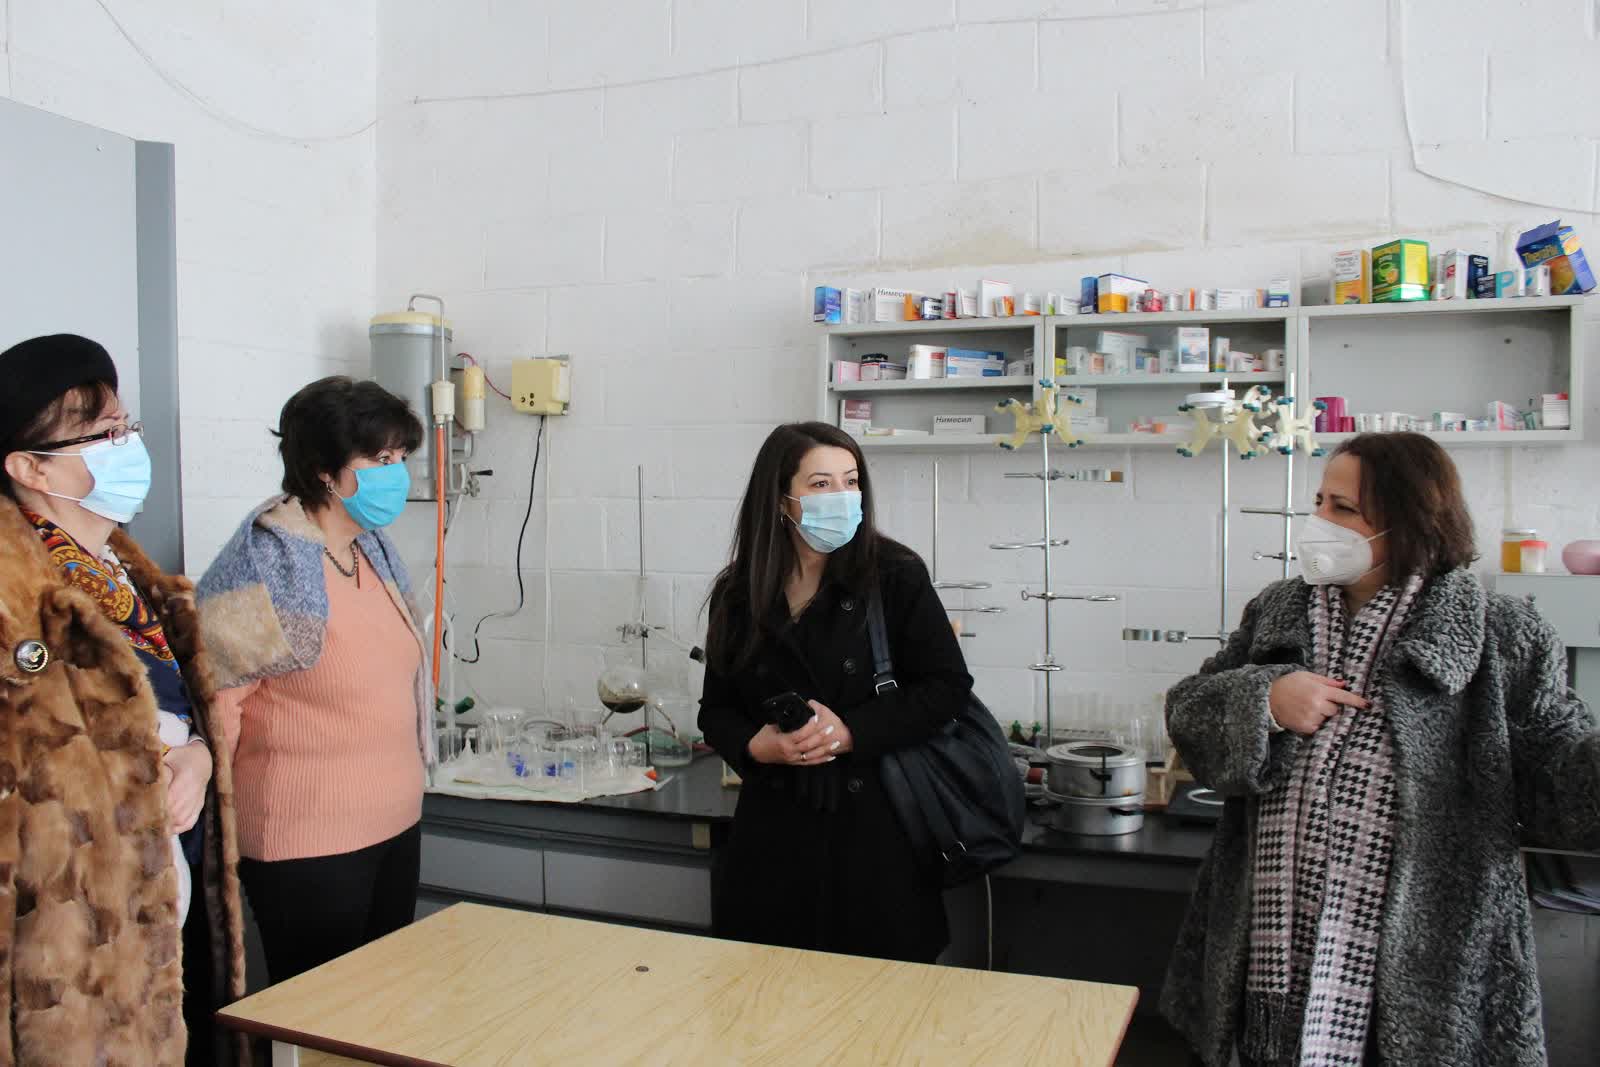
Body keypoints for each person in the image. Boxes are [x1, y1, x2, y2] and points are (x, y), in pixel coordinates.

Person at [1161, 432, 1600, 1066]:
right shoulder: (1279, 611)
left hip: (1423, 963)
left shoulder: (1502, 634)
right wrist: (1265, 698)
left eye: (1343, 508)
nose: (1319, 522)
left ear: (1409, 520)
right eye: (1319, 501)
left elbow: (1556, 774)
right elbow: (1189, 712)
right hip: (1269, 946)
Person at [0, 334, 247, 1065]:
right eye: (104, 435)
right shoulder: (19, 603)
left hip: (171, 910)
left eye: (126, 427)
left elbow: (180, 714)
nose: (126, 447)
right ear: (28, 467)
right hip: (78, 955)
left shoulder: (132, 578)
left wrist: (199, 757)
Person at [698, 421, 972, 963]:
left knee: (876, 1025)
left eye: (851, 482)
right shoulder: (739, 590)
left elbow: (946, 688)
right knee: (765, 1016)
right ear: (782, 500)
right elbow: (716, 710)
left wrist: (849, 734)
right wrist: (758, 747)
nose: (842, 498)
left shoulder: (893, 575)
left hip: (875, 841)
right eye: (821, 485)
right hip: (772, 840)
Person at [197, 376, 434, 984]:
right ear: (324, 470)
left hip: (393, 821)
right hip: (305, 840)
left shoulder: (371, 549)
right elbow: (217, 703)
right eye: (381, 459)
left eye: (401, 457)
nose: (397, 473)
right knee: (323, 1020)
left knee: (385, 1015)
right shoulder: (265, 561)